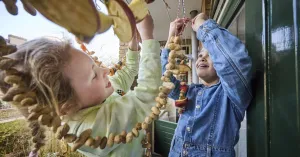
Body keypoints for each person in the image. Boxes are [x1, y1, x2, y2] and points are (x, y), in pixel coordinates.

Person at [0, 15, 161, 157]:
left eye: (95, 66)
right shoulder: (88, 130)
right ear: (67, 106)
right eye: (94, 75)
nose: (105, 70)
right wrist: (147, 38)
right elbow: (146, 98)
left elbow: (128, 72)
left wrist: (133, 42)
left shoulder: (99, 92)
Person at [161, 13, 252, 157]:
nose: (203, 57)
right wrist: (171, 37)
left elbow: (235, 62)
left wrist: (203, 26)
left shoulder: (231, 95)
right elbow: (167, 79)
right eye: (201, 54)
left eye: (210, 54)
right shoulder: (189, 91)